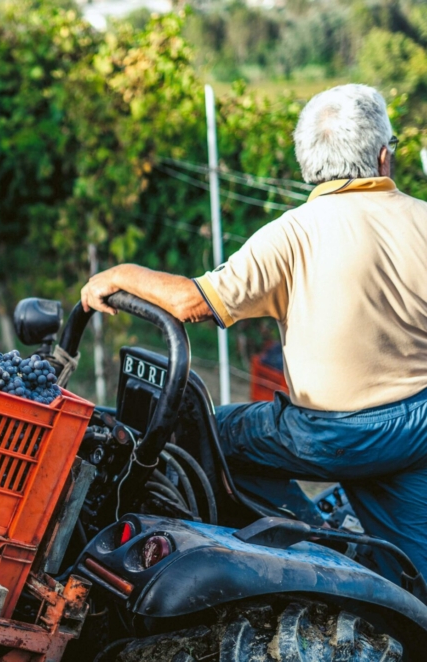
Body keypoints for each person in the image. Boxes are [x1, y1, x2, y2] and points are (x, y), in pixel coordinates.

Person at [79, 83, 427, 584]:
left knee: (212, 436)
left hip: (327, 436)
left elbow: (191, 302)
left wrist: (120, 275)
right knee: (416, 570)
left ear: (308, 163)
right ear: (382, 157)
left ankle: (316, 546)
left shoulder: (294, 233)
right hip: (416, 430)